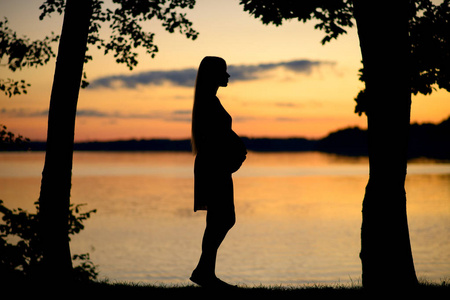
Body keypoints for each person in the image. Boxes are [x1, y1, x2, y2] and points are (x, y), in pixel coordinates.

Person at [190, 56, 247, 288]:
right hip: (213, 167)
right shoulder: (208, 102)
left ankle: (205, 272)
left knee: (218, 219)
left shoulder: (210, 100)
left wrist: (236, 151)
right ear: (213, 74)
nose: (228, 76)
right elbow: (216, 136)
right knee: (222, 218)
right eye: (224, 71)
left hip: (216, 166)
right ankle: (204, 271)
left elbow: (222, 134)